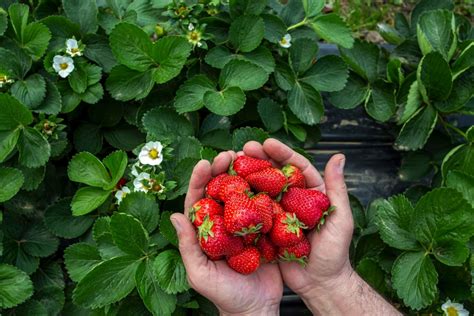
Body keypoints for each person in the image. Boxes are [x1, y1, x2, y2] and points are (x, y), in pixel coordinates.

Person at [170, 138, 401, 315]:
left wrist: (329, 281)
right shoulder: (256, 211)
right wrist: (331, 285)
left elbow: (253, 216)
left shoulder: (253, 212)